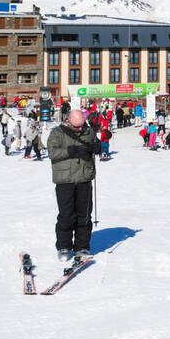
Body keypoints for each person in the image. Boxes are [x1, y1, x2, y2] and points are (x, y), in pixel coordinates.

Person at [46, 109, 100, 262]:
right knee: (66, 215)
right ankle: (64, 246)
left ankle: (82, 246)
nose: (80, 129)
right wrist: (71, 150)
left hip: (84, 177)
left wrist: (97, 147)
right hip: (65, 179)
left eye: (82, 126)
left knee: (84, 215)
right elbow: (52, 153)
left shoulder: (88, 131)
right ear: (68, 121)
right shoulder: (57, 133)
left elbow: (95, 144)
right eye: (77, 127)